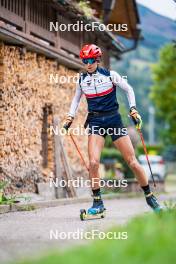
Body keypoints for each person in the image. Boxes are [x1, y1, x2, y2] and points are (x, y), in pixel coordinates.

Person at [63, 44, 162, 213]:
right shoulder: (81, 80)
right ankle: (97, 203)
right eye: (84, 60)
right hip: (95, 121)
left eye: (90, 60)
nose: (87, 64)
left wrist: (133, 109)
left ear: (97, 60)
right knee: (93, 162)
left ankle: (149, 196)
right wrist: (70, 116)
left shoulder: (110, 76)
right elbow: (75, 100)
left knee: (132, 161)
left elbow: (129, 89)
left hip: (113, 119)